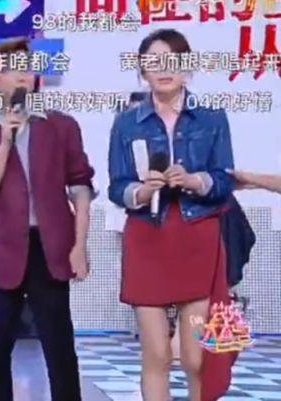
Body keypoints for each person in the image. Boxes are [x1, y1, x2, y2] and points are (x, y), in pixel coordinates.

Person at [107, 29, 236, 401]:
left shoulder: (211, 119)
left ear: (187, 67)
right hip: (148, 239)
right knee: (157, 354)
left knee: (195, 357)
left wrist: (195, 181)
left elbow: (224, 179)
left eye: (172, 61)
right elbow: (117, 186)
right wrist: (143, 191)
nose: (163, 69)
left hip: (196, 240)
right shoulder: (127, 123)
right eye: (153, 62)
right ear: (142, 70)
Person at [0, 37, 94, 401]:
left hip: (50, 247)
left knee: (58, 345)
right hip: (3, 250)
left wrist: (79, 246)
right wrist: (5, 142)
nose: (23, 75)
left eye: (28, 67)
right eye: (12, 69)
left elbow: (81, 187)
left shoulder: (61, 126)